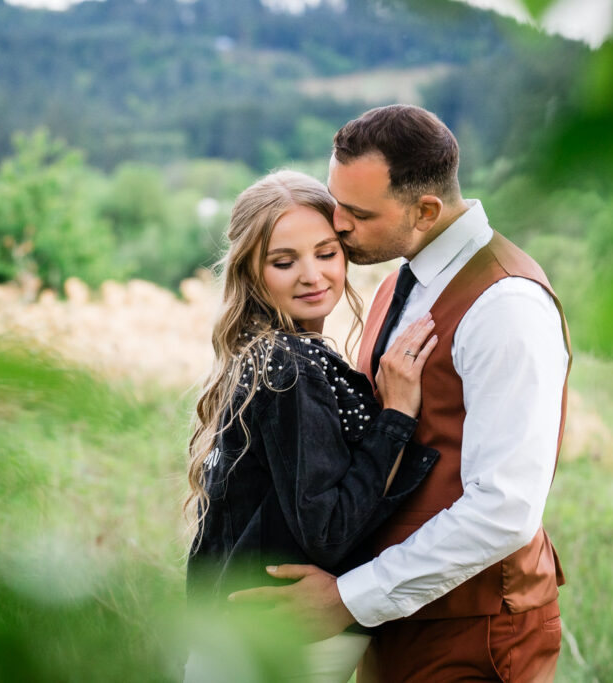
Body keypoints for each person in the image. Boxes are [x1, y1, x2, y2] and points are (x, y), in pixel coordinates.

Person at [229, 106, 572, 681]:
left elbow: (505, 509)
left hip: (475, 629)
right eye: (336, 202)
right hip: (392, 619)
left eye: (357, 213)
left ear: (427, 210)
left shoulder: (506, 307)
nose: (336, 223)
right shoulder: (397, 282)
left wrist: (348, 598)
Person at [184, 169, 441, 682]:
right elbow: (325, 529)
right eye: (284, 261)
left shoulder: (269, 356)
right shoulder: (288, 367)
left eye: (326, 253)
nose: (312, 275)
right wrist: (395, 418)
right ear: (251, 272)